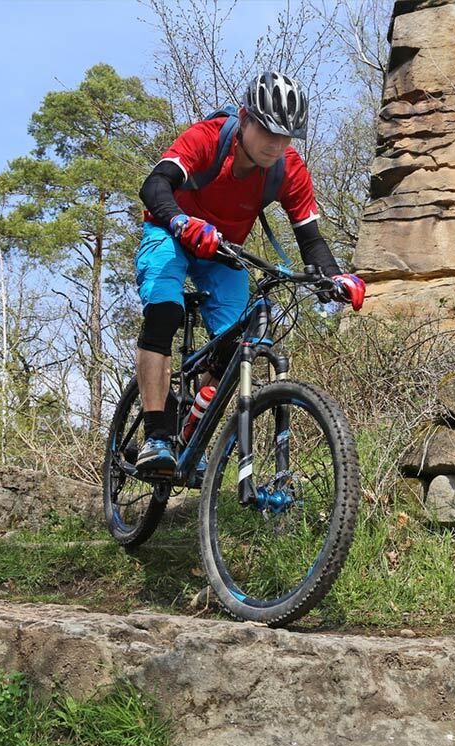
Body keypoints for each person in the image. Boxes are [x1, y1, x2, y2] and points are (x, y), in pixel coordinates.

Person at [132, 70, 366, 474]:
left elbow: (310, 239)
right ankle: (155, 436)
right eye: (268, 131)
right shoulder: (207, 139)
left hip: (223, 251)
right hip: (170, 231)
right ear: (244, 117)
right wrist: (181, 222)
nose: (277, 144)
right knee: (165, 310)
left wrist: (335, 278)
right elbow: (155, 186)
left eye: (287, 135)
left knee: (237, 344)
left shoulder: (287, 168)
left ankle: (190, 426)